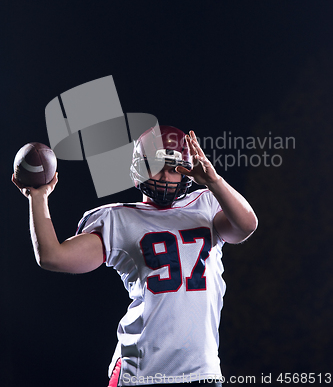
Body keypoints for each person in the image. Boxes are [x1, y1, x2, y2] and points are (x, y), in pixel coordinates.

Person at [12, 126, 258, 387]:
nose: (166, 174)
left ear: (187, 170)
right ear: (139, 168)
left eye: (174, 167)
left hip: (202, 371)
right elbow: (52, 256)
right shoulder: (117, 219)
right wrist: (37, 198)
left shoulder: (207, 204)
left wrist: (215, 181)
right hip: (141, 372)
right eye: (156, 165)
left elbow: (247, 225)